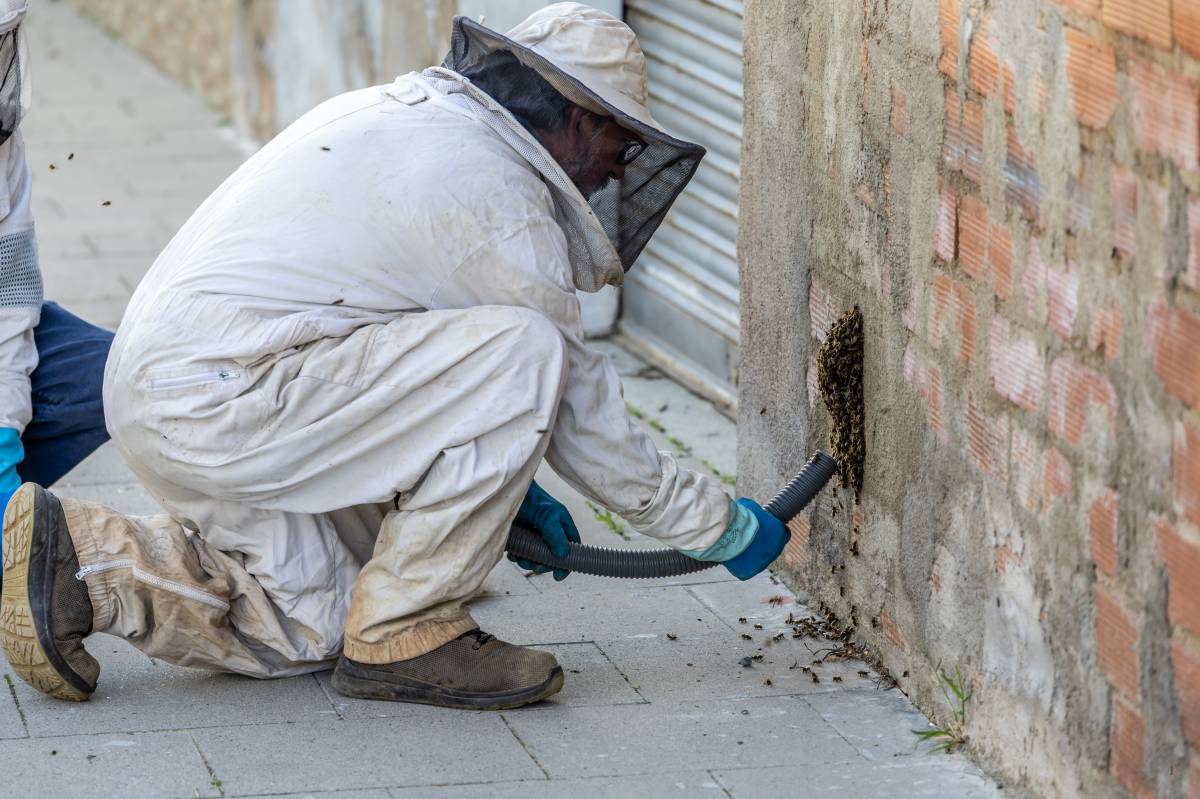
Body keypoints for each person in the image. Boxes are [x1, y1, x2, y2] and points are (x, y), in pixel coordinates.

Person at [0, 3, 786, 710]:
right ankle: (413, 627)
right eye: (619, 139)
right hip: (230, 395)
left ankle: (84, 566)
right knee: (527, 350)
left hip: (187, 392)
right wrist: (718, 527)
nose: (620, 166)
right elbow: (583, 417)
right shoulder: (498, 201)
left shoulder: (420, 121)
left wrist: (501, 492)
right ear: (575, 119)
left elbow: (407, 364)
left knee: (313, 623)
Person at [0, 0, 112, 542]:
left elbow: (8, 300)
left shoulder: (4, 154)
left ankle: (11, 514)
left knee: (119, 376)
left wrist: (2, 445)